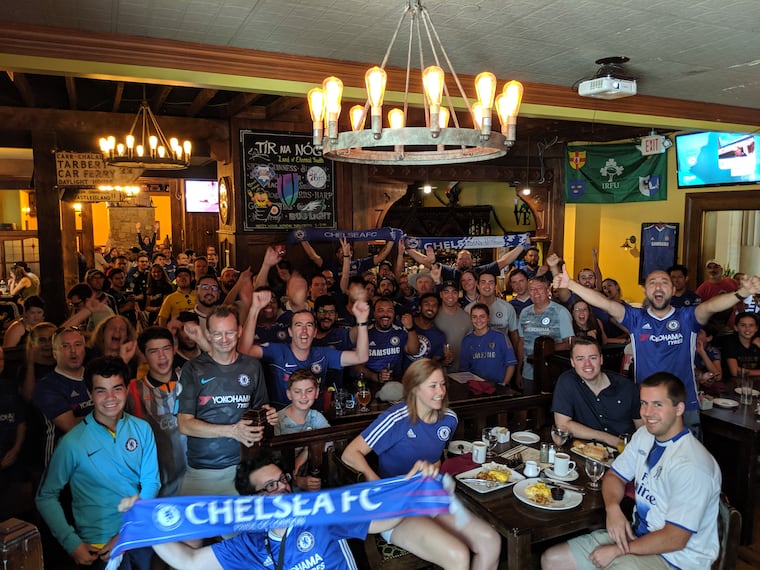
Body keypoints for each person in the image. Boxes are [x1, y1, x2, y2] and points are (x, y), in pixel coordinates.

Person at [541, 372, 721, 570]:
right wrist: (613, 509)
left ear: (679, 408)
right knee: (553, 559)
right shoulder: (644, 435)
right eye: (644, 403)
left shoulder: (692, 465)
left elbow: (675, 538)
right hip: (636, 536)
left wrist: (618, 551)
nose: (647, 412)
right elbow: (615, 476)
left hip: (676, 560)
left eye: (657, 405)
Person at [553, 265, 760, 436]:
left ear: (672, 290)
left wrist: (742, 293)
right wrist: (570, 284)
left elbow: (711, 306)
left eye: (664, 282)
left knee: (686, 468)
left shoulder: (686, 318)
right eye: (652, 282)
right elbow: (605, 304)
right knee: (650, 466)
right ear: (645, 291)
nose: (658, 286)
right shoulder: (636, 318)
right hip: (646, 406)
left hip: (683, 405)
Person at [342, 358, 501, 569]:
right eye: (433, 386)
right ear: (415, 389)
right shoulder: (396, 418)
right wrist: (377, 483)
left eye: (443, 384)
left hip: (427, 498)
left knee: (491, 542)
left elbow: (435, 458)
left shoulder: (449, 419)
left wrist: (434, 476)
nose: (441, 391)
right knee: (457, 554)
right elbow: (350, 454)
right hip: (395, 506)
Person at [150, 455, 432, 570]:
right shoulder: (250, 543)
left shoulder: (320, 512)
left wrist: (413, 489)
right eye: (270, 486)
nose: (282, 488)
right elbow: (188, 560)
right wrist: (144, 526)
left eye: (283, 479)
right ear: (254, 500)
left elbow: (382, 520)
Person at [36, 356, 160, 569]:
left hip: (136, 536)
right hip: (98, 547)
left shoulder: (142, 429)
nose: (110, 397)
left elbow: (151, 483)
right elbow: (45, 496)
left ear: (127, 389)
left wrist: (125, 534)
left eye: (117, 388)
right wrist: (71, 542)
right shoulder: (73, 442)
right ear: (90, 393)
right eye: (101, 390)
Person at [176, 305, 276, 497]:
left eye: (229, 333)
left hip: (245, 470)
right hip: (202, 473)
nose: (224, 340)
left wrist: (269, 415)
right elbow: (184, 425)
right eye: (217, 334)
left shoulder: (252, 366)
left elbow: (261, 409)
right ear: (208, 334)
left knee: (245, 528)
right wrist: (232, 431)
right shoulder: (192, 369)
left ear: (239, 331)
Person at [240, 290, 370, 408]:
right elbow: (244, 350)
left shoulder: (323, 354)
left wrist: (362, 321)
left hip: (314, 420)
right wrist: (254, 309)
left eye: (308, 325)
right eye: (298, 325)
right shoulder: (277, 351)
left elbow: (361, 357)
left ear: (314, 332)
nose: (304, 331)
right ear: (290, 332)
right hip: (281, 421)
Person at [127, 327, 186, 497]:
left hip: (197, 481)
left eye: (166, 349)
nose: (162, 356)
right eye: (153, 351)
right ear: (144, 356)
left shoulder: (191, 380)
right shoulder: (132, 391)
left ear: (174, 349)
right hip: (158, 488)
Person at [552, 338, 642, 448]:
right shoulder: (567, 381)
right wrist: (608, 438)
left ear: (601, 359)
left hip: (625, 453)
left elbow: (643, 430)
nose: (587, 364)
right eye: (580, 359)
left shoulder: (627, 387)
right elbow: (563, 425)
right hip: (586, 451)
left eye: (593, 358)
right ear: (572, 362)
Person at [32, 326, 90, 466]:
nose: (73, 351)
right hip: (62, 464)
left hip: (96, 459)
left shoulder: (96, 376)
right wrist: (109, 416)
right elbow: (71, 426)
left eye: (78, 344)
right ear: (55, 353)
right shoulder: (46, 386)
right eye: (65, 346)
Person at [275, 368, 329, 491]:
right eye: (297, 391)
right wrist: (296, 481)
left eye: (309, 391)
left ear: (316, 393)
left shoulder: (316, 417)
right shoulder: (278, 420)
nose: (303, 396)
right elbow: (274, 460)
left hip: (312, 473)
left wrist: (305, 453)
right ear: (289, 394)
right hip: (284, 483)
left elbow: (330, 441)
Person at [517, 277, 574, 392]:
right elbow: (521, 342)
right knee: (527, 405)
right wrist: (519, 370)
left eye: (539, 288)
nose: (535, 292)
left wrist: (543, 350)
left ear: (548, 290)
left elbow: (570, 343)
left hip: (553, 372)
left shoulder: (560, 312)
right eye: (532, 289)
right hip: (528, 373)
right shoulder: (524, 313)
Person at [354, 296, 418, 386]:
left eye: (389, 310)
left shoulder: (400, 331)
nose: (385, 314)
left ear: (394, 313)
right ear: (374, 313)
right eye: (381, 310)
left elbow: (414, 351)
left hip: (396, 383)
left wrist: (410, 328)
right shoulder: (365, 334)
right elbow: (357, 367)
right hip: (370, 384)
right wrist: (376, 377)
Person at [460, 303, 518, 386]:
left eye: (482, 316)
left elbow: (511, 363)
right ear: (471, 319)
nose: (478, 320)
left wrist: (504, 384)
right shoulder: (467, 340)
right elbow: (464, 370)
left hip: (498, 386)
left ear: (488, 318)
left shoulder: (500, 337)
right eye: (474, 317)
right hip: (476, 387)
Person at [434, 280, 472, 371]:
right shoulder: (433, 316)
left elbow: (471, 345)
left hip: (461, 373)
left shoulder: (467, 317)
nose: (450, 296)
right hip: (437, 373)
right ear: (441, 295)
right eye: (446, 292)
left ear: (458, 294)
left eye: (454, 292)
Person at [722, 311, 760, 377]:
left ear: (756, 328)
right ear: (736, 328)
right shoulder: (730, 342)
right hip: (734, 383)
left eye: (751, 325)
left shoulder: (758, 341)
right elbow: (735, 372)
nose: (747, 329)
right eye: (743, 325)